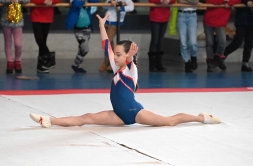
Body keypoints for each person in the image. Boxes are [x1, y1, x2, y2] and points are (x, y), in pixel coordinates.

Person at [29, 14, 221, 128]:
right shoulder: (116, 67)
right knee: (87, 117)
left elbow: (129, 61)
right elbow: (106, 46)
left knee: (169, 122)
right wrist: (102, 26)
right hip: (119, 114)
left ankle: (201, 117)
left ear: (127, 55)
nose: (115, 56)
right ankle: (49, 120)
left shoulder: (131, 69)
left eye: (119, 54)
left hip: (135, 113)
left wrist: (129, 57)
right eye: (116, 54)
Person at [203, 0, 240, 72]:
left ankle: (217, 60)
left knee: (222, 42)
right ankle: (210, 63)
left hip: (221, 21)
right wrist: (223, 1)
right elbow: (208, 1)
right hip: (209, 19)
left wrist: (229, 2)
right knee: (209, 43)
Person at [98, 0, 134, 73]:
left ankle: (109, 62)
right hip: (107, 21)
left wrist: (121, 7)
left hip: (115, 22)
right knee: (109, 43)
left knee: (107, 43)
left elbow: (131, 7)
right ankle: (110, 61)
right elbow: (103, 6)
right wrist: (110, 2)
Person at [223, 0, 253, 72]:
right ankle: (223, 55)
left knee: (249, 43)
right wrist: (246, 2)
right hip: (242, 20)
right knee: (237, 42)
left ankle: (245, 62)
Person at [65, 0, 99, 73]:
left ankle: (78, 65)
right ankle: (75, 64)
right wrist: (84, 2)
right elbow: (75, 3)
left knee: (81, 48)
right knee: (85, 49)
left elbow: (96, 0)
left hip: (87, 29)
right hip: (79, 31)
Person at [0, 0, 30, 73]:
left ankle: (17, 61)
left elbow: (27, 0)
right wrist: (9, 0)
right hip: (6, 21)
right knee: (8, 43)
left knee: (18, 44)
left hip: (18, 22)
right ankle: (9, 62)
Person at [30, 0, 61, 73]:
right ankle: (50, 56)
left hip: (47, 15)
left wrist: (51, 1)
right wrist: (43, 1)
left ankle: (42, 66)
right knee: (39, 39)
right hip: (36, 14)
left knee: (43, 41)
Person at [148, 0, 176, 72]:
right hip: (155, 15)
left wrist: (168, 1)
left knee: (160, 40)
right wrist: (161, 1)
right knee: (155, 39)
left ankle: (159, 64)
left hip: (165, 16)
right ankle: (152, 65)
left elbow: (173, 0)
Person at [176, 0, 201, 73]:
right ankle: (187, 63)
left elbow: (196, 1)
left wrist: (185, 1)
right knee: (183, 43)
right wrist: (192, 2)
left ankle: (193, 56)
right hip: (181, 15)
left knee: (193, 42)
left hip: (192, 15)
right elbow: (179, 0)